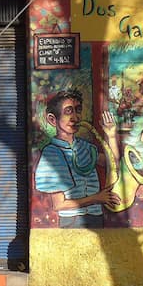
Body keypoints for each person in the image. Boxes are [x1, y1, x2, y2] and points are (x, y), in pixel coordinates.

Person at [34, 90, 120, 228]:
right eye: (68, 111)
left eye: (77, 110)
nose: (75, 117)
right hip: (72, 221)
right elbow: (59, 205)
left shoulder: (86, 148)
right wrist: (97, 198)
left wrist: (110, 136)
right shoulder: (51, 154)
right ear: (52, 119)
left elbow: (113, 165)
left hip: (95, 217)